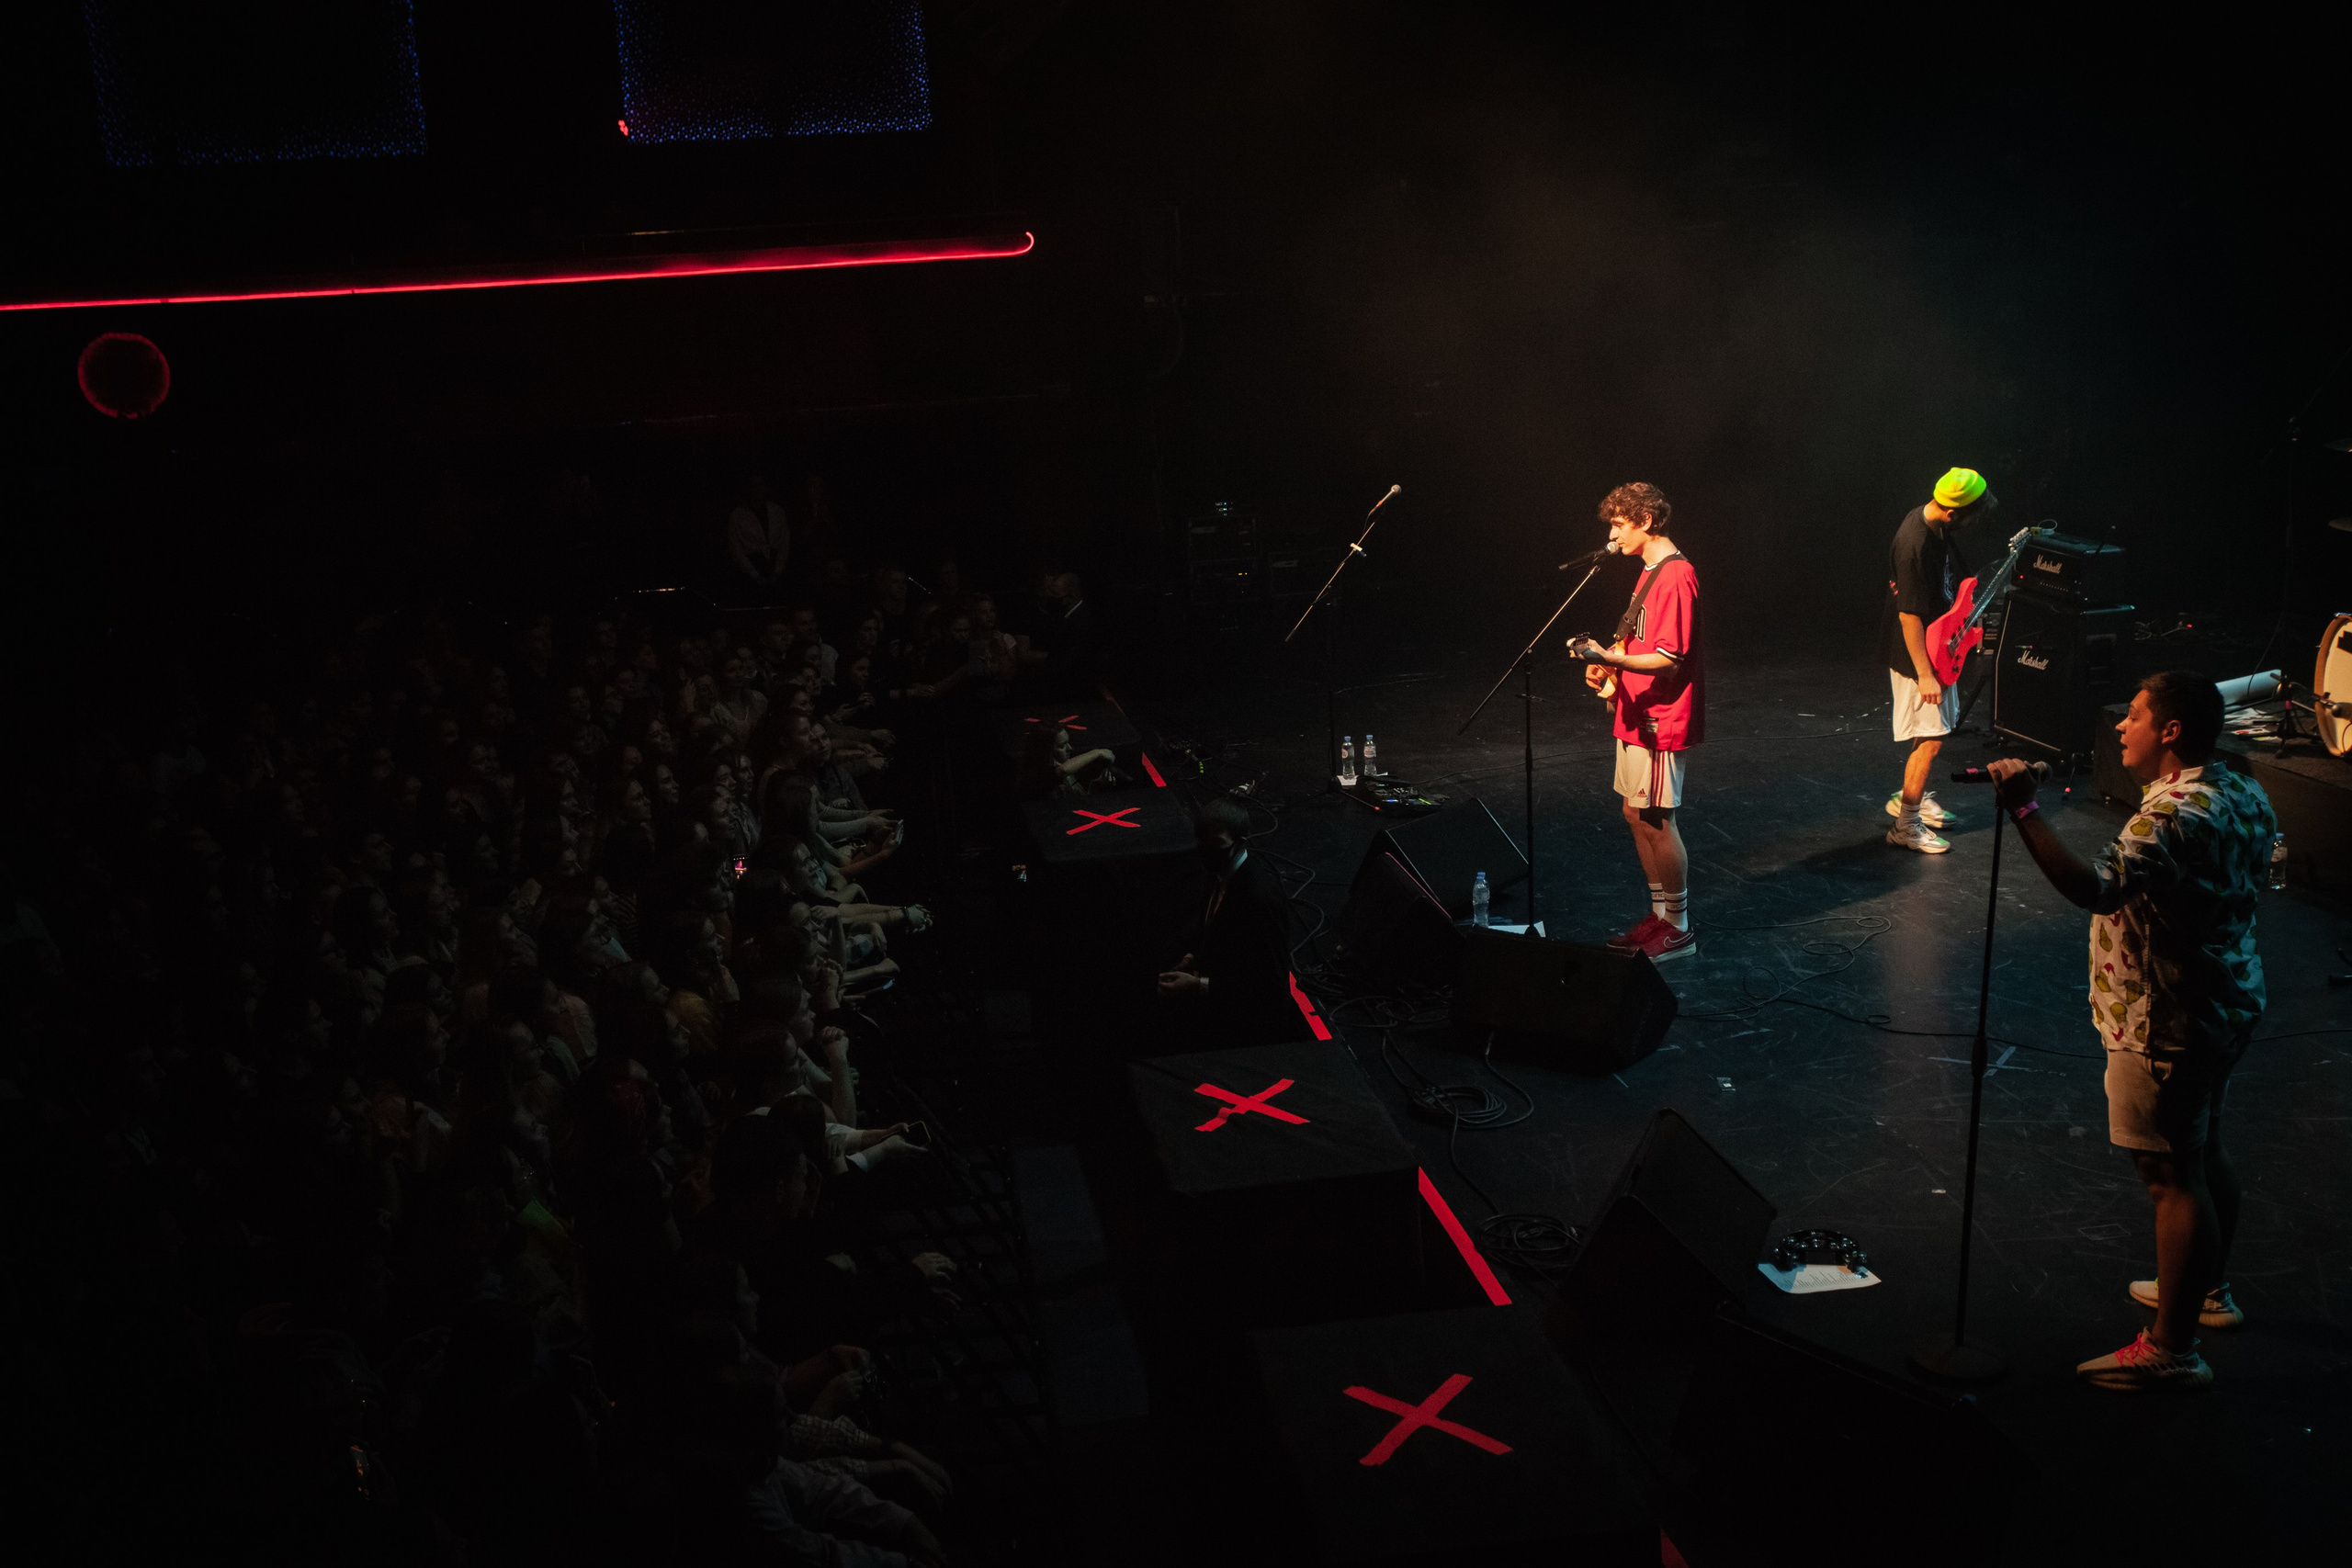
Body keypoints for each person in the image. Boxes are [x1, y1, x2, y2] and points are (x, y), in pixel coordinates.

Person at [1987, 671, 2274, 1392]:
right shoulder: (2242, 787)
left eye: (2136, 716)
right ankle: (2205, 1290)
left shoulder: (2168, 815)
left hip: (2165, 1019)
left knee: (2172, 1177)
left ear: (2170, 731)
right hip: (2227, 1000)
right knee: (2204, 1153)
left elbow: (2096, 887)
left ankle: (2171, 1347)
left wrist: (2024, 807)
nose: (2121, 726)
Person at [1568, 481, 1704, 962]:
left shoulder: (1676, 575)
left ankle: (1680, 927)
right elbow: (1639, 642)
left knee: (1657, 819)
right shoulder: (1649, 570)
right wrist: (1608, 664)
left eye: (1619, 525)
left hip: (1659, 718)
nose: (1612, 535)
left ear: (1645, 521)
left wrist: (1612, 658)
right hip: (1634, 710)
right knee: (1633, 813)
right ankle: (1659, 916)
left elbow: (1670, 658)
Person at [1882, 467, 1995, 852]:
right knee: (1932, 737)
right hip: (1920, 654)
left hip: (1938, 643)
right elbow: (1909, 615)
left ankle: (1908, 797)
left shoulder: (1935, 522)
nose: (1974, 523)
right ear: (1951, 513)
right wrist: (1925, 674)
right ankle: (1906, 824)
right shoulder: (1915, 543)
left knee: (1932, 732)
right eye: (1972, 516)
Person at [1158, 798, 1307, 1044]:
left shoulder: (1258, 899)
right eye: (1202, 842)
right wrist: (1191, 958)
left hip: (1249, 1027)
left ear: (1241, 842)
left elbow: (1270, 984)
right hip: (1225, 1003)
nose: (1207, 850)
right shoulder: (1221, 873)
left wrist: (1200, 986)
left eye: (1216, 844)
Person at [728, 477, 791, 597]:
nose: (757, 490)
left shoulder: (777, 511)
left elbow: (784, 543)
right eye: (753, 485)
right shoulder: (738, 515)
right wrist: (753, 574)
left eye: (760, 485)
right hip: (751, 566)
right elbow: (736, 549)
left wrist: (777, 571)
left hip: (775, 564)